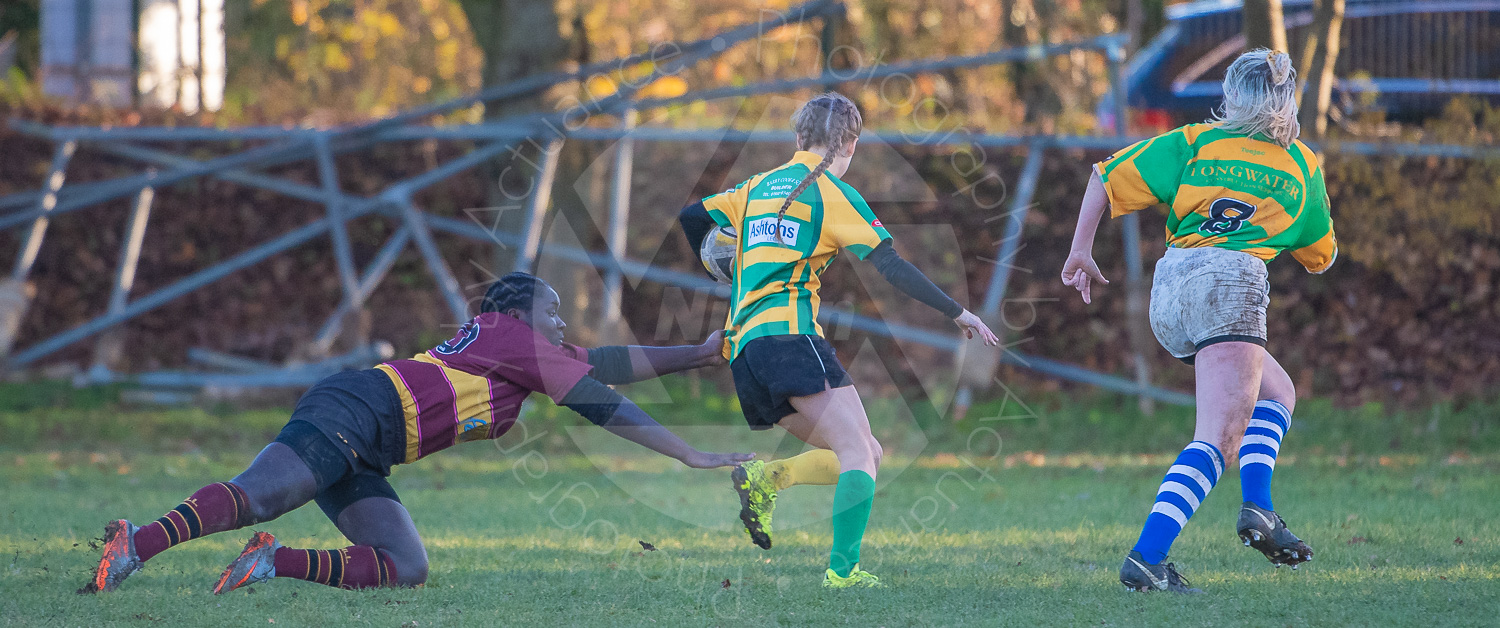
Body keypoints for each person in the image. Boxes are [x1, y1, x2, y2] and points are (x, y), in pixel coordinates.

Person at [86, 272, 753, 594]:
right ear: (519, 311)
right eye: (552, 311)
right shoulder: (512, 336)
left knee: (406, 567)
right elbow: (601, 402)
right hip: (356, 410)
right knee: (257, 495)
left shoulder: (522, 353)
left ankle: (271, 560)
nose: (560, 324)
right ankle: (135, 544)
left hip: (371, 439)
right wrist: (690, 452)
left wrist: (700, 351)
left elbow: (605, 364)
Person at [679, 92, 999, 588]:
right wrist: (957, 312)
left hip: (744, 350)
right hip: (790, 337)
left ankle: (770, 478)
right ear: (850, 144)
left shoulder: (756, 186)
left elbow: (693, 218)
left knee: (866, 453)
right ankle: (842, 573)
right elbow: (890, 264)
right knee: (857, 454)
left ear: (799, 137)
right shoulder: (829, 191)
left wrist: (721, 262)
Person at [1060, 49, 1336, 593]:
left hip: (1171, 290)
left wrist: (1080, 250)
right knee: (1218, 439)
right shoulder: (1301, 164)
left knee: (1277, 393)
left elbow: (1105, 176)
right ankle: (1147, 559)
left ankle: (1260, 509)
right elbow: (1320, 254)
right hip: (1230, 283)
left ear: (1231, 96)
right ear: (1287, 101)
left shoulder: (1194, 141)